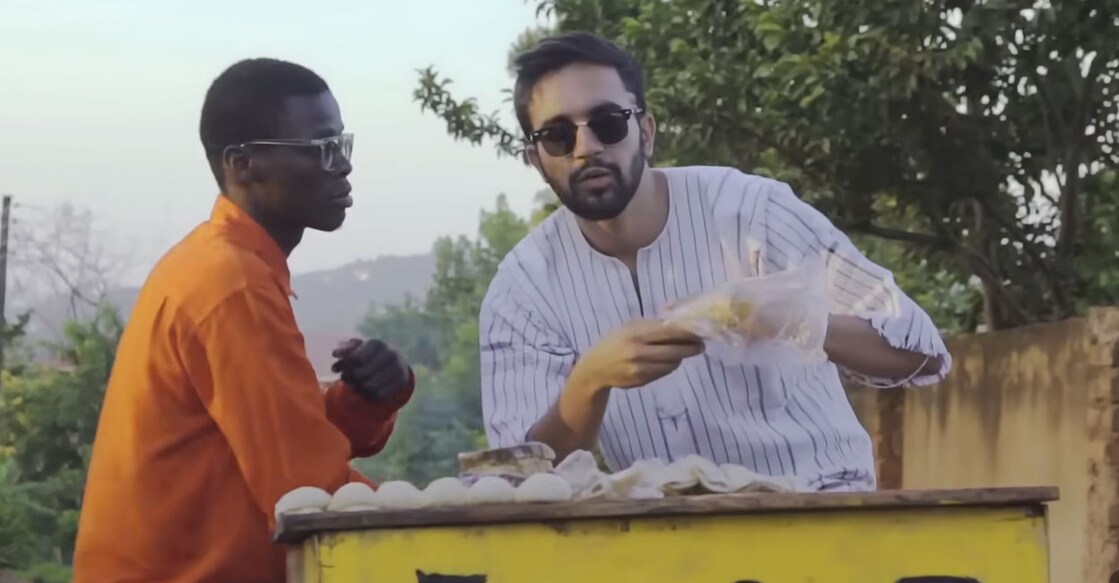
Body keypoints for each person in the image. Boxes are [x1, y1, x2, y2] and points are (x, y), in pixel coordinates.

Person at [479, 32, 952, 492]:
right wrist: (589, 381)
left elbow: (921, 352)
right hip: (666, 544)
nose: (587, 148)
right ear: (537, 159)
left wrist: (786, 319)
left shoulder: (752, 213)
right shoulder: (525, 288)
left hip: (819, 507)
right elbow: (515, 479)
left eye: (608, 123)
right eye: (558, 136)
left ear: (645, 133)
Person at [73, 58, 415, 583]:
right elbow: (307, 496)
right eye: (322, 150)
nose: (342, 166)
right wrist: (443, 527)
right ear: (243, 164)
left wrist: (363, 403)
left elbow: (278, 442)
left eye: (342, 146)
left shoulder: (224, 264)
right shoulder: (229, 284)